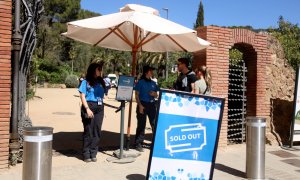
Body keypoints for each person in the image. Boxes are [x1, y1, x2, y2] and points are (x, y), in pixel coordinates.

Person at [78, 62, 106, 162]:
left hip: (99, 108)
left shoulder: (101, 82)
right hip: (89, 106)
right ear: (93, 70)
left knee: (97, 131)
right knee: (88, 131)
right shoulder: (85, 82)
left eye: (101, 69)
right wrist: (87, 109)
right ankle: (86, 154)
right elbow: (82, 96)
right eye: (99, 69)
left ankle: (93, 153)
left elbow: (103, 95)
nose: (100, 71)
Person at [134, 65, 159, 152]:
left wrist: (154, 94)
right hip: (142, 104)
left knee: (154, 124)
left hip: (152, 105)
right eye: (150, 71)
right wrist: (140, 105)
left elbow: (157, 94)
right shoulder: (140, 82)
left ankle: (156, 143)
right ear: (146, 72)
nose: (152, 72)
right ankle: (138, 144)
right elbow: (136, 95)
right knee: (141, 125)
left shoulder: (153, 83)